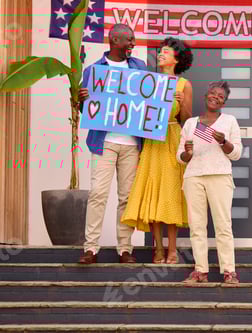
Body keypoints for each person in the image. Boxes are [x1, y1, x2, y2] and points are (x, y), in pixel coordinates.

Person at [77, 24, 147, 264]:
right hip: (103, 142)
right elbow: (86, 108)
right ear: (115, 40)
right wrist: (81, 100)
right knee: (98, 194)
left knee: (126, 197)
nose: (133, 44)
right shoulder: (94, 70)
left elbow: (149, 100)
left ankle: (125, 249)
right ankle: (91, 249)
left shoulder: (139, 67)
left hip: (131, 144)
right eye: (129, 40)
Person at [121, 37, 193, 264]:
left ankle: (172, 249)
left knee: (171, 193)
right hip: (152, 142)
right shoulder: (147, 81)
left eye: (165, 51)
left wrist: (181, 103)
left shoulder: (184, 84)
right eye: (160, 51)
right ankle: (158, 249)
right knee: (153, 193)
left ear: (177, 58)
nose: (160, 54)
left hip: (172, 139)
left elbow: (186, 120)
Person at [177, 80, 242, 284]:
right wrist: (187, 153)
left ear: (224, 103)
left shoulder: (229, 121)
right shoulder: (191, 123)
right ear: (205, 96)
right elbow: (180, 156)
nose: (215, 97)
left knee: (223, 225)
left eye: (220, 96)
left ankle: (229, 272)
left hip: (220, 176)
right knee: (197, 226)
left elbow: (237, 154)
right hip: (193, 177)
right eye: (212, 93)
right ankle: (200, 271)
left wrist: (223, 142)